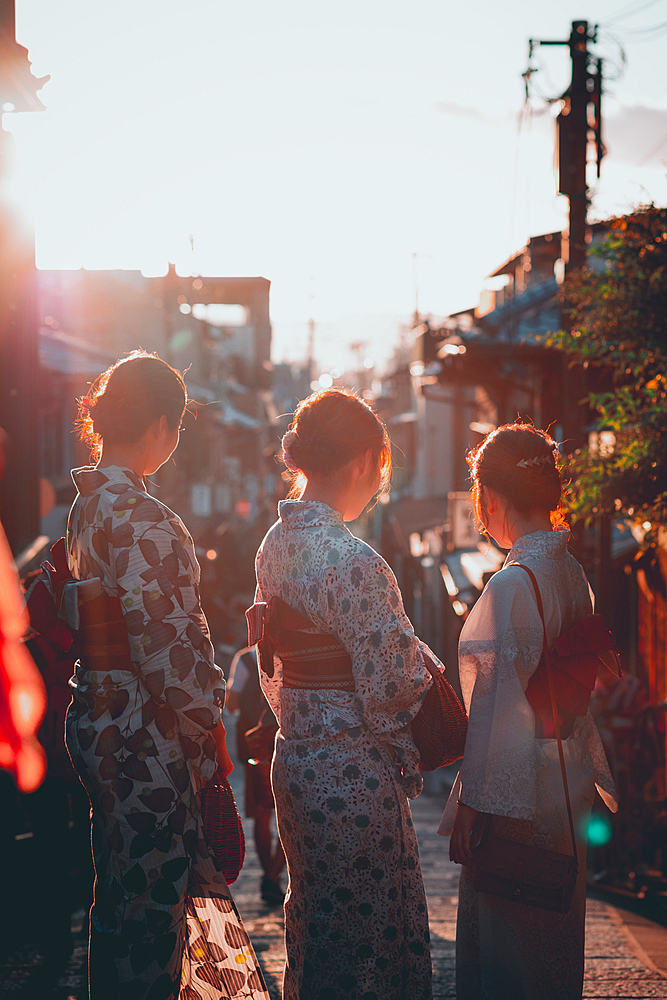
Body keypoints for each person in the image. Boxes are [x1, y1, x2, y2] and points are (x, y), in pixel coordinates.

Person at [65, 351, 269, 1000]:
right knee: (155, 906)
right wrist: (208, 727)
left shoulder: (89, 507)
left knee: (118, 895)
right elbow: (171, 649)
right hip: (143, 731)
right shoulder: (148, 520)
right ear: (161, 425)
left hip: (96, 714)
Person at [253, 387, 437, 1000]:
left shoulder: (274, 546)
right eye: (381, 469)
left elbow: (274, 665)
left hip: (297, 760)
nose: (380, 483)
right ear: (364, 460)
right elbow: (389, 685)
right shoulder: (355, 562)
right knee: (369, 942)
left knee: (316, 926)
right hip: (352, 770)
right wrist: (430, 671)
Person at [439, 423, 618, 1000]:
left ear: (489, 499)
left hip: (517, 787)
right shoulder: (572, 573)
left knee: (506, 943)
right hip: (566, 777)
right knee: (553, 934)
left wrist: (472, 803)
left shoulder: (514, 583)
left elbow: (497, 709)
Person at [226, 646, 286, 904]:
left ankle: (268, 875)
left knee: (261, 814)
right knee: (291, 814)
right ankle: (273, 876)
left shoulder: (245, 660)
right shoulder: (293, 652)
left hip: (256, 746)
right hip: (291, 740)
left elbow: (231, 705)